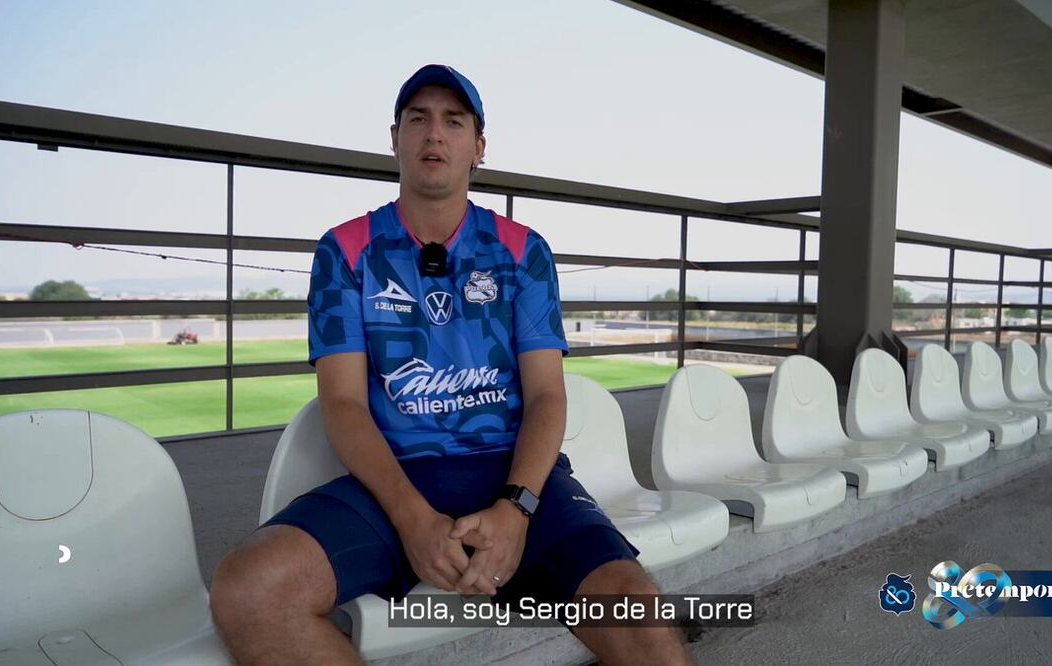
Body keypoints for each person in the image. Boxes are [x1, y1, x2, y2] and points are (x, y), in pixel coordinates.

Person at [209, 64, 692, 665]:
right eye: (418, 119)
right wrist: (414, 521)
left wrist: (516, 512)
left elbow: (547, 396)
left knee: (637, 611)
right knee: (249, 589)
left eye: (453, 121)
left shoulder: (522, 251)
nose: (434, 134)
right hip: (395, 480)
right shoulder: (347, 250)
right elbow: (343, 403)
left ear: (478, 146)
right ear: (395, 138)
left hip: (512, 474)